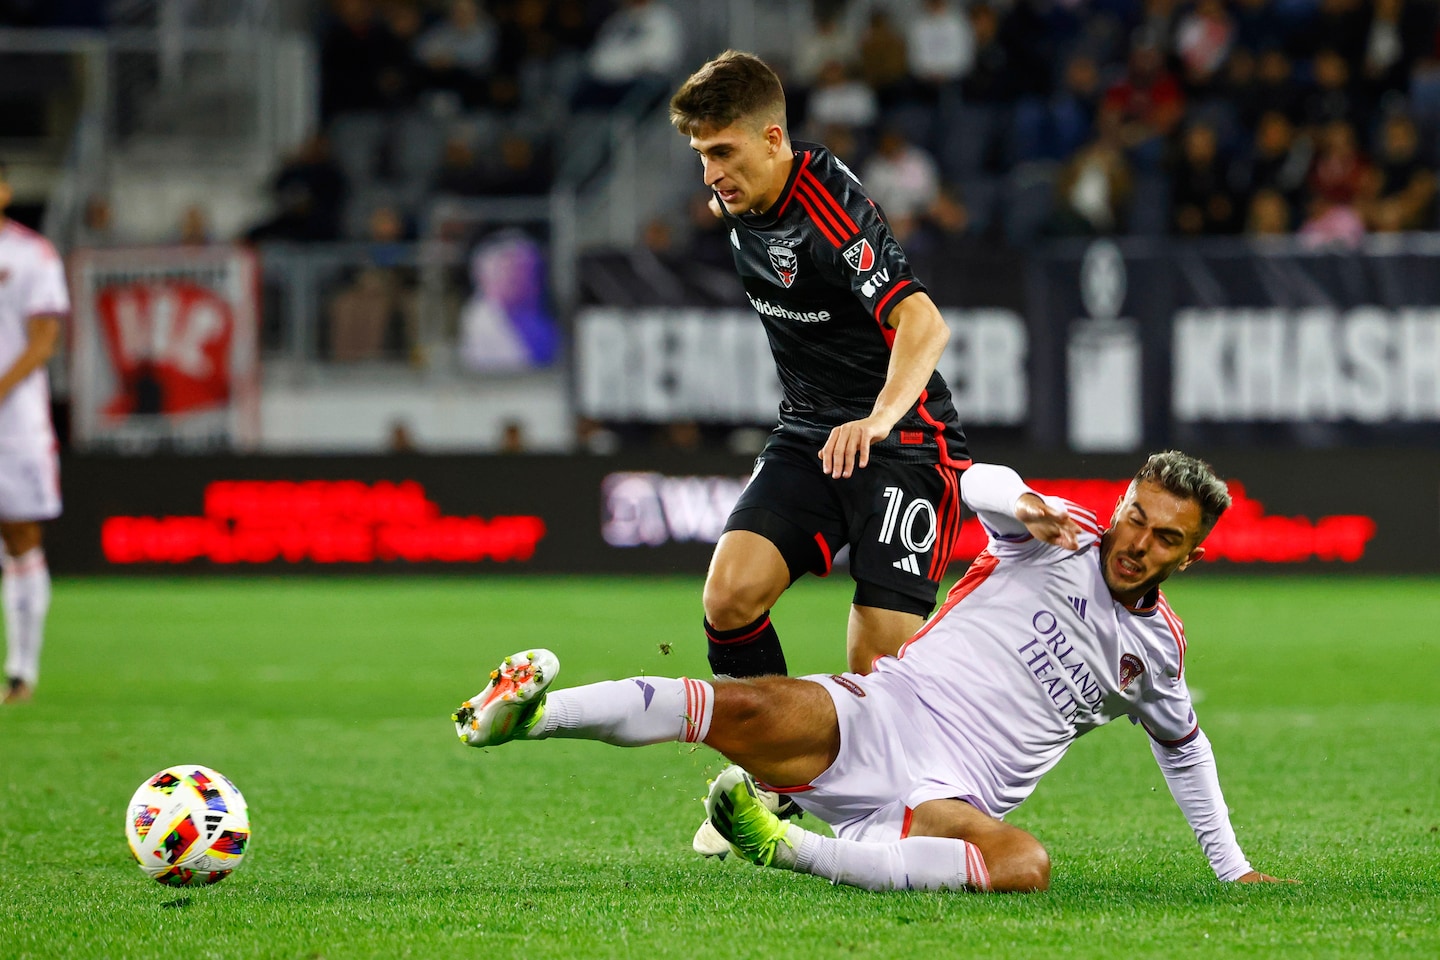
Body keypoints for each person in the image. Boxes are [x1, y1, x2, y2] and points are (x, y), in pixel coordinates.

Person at [453, 452, 1294, 893]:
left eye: (1165, 537)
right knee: (738, 707)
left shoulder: (1158, 655)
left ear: (1191, 555)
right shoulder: (1060, 534)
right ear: (1120, 506)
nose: (1139, 542)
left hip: (948, 801)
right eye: (1135, 517)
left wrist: (1232, 867)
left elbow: (1184, 748)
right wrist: (1025, 502)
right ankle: (529, 715)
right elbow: (979, 485)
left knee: (1024, 867)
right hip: (882, 714)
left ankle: (783, 847)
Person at [668, 50, 971, 683]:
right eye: (701, 155)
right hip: (810, 434)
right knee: (729, 599)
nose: (710, 174)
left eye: (723, 151)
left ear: (773, 138)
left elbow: (923, 322)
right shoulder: (740, 206)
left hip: (906, 445)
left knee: (875, 669)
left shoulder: (828, 205)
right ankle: (772, 779)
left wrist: (879, 420)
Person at [0, 163, 65, 704]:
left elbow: (44, 339)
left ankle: (21, 671)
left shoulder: (31, 255)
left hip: (14, 421)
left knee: (20, 535)